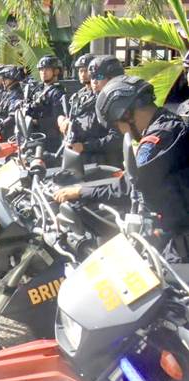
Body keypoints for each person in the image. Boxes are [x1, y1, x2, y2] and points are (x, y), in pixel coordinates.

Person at [54, 75, 189, 262]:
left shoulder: (161, 138)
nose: (121, 131)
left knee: (161, 283)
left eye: (118, 125)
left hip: (180, 239)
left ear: (126, 114)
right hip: (173, 226)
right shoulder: (167, 123)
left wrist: (81, 191)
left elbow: (130, 186)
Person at [59, 54, 123, 166]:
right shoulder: (84, 97)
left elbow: (116, 139)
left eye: (99, 77)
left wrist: (85, 146)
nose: (93, 81)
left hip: (105, 164)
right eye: (92, 76)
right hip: (82, 160)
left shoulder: (116, 103)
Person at [29, 55, 66, 153]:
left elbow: (57, 119)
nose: (43, 72)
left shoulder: (58, 92)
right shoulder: (39, 89)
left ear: (56, 71)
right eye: (41, 70)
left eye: (47, 69)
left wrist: (36, 121)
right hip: (35, 135)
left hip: (50, 140)